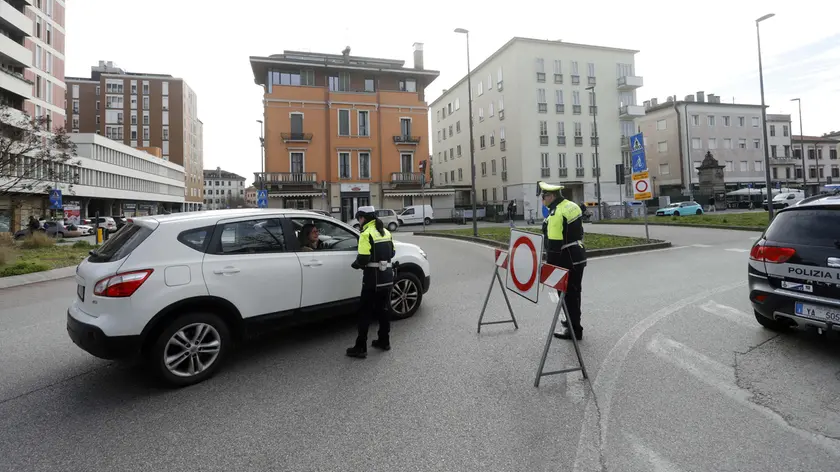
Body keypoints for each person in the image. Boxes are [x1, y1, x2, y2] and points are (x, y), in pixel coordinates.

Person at [537, 181, 587, 340]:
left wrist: (549, 267)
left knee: (566, 295)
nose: (542, 201)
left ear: (551, 196)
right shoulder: (572, 206)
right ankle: (573, 322)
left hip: (566, 259)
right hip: (578, 255)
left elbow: (554, 246)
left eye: (543, 197)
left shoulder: (555, 214)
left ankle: (574, 330)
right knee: (575, 293)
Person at [346, 206, 396, 359]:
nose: (359, 221)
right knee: (383, 310)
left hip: (372, 279)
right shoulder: (386, 232)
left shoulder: (365, 234)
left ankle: (360, 347)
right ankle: (384, 341)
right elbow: (392, 252)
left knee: (365, 312)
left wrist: (355, 265)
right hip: (387, 278)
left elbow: (363, 258)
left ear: (363, 218)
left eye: (359, 218)